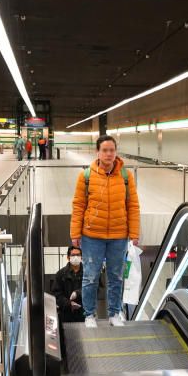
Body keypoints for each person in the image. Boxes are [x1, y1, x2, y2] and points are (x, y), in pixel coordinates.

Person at [70, 134, 140, 328]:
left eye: (112, 150)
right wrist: (75, 233)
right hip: (92, 236)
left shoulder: (126, 177)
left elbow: (133, 206)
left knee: (116, 277)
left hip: (118, 236)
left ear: (116, 152)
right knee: (91, 276)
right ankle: (89, 315)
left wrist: (134, 233)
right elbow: (78, 206)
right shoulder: (86, 176)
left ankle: (114, 314)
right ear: (97, 152)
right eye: (105, 150)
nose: (109, 154)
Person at [53, 245, 85, 323]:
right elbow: (56, 294)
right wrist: (69, 304)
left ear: (81, 257)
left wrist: (78, 293)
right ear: (68, 257)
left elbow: (95, 289)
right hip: (66, 315)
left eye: (78, 255)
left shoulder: (88, 273)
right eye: (73, 255)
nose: (76, 257)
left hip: (85, 314)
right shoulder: (60, 274)